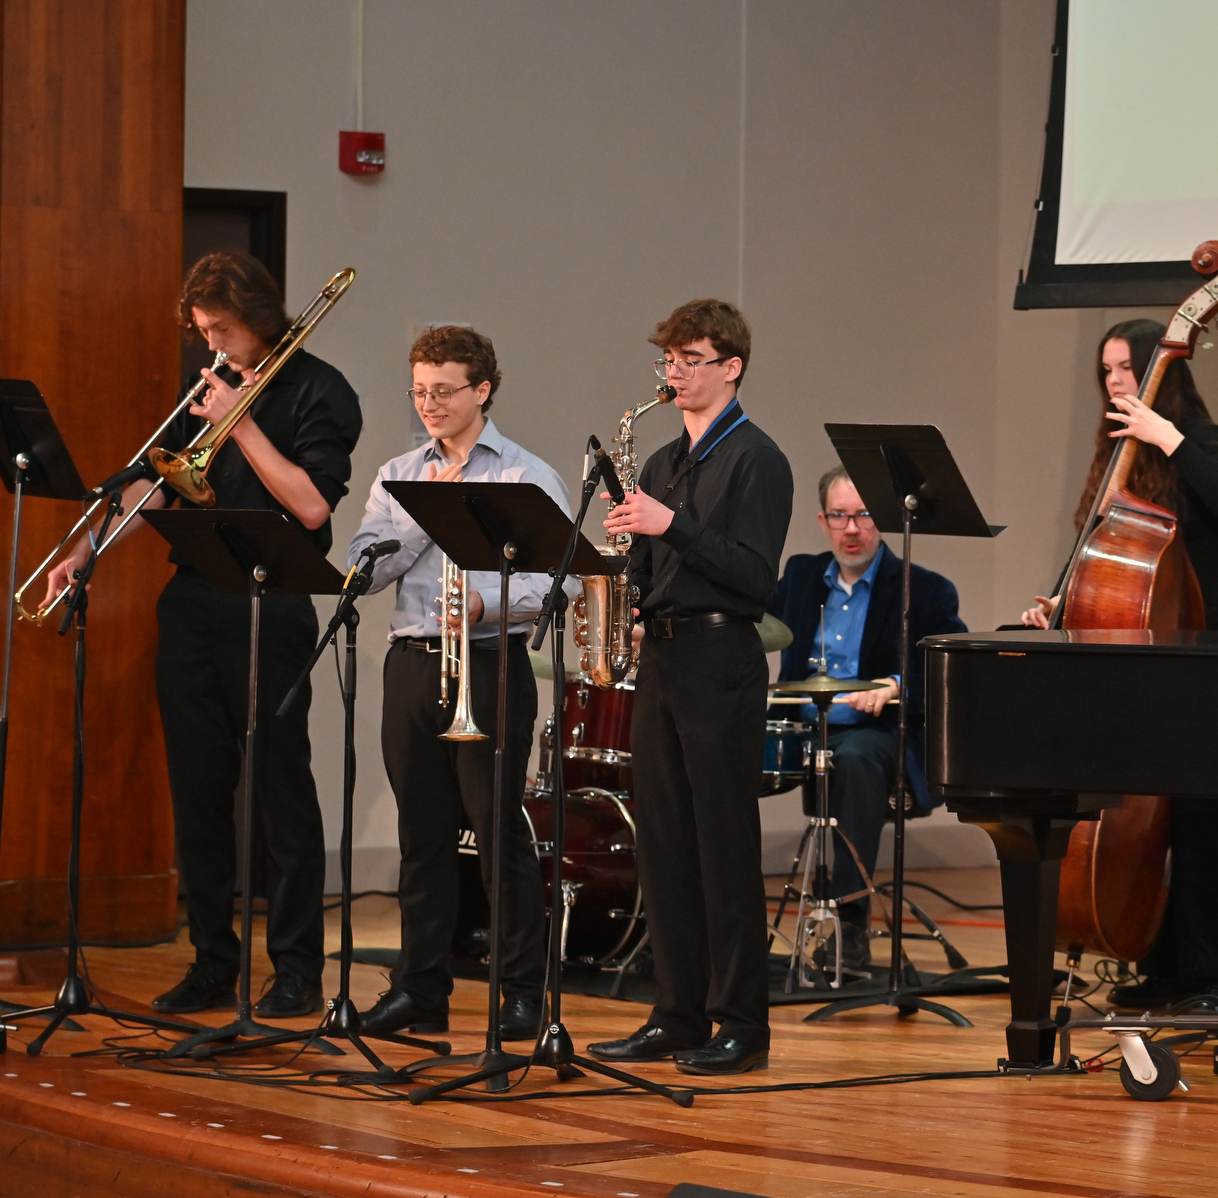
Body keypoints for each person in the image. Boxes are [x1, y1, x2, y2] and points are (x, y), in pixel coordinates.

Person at [43, 250, 362, 1018]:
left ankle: (295, 971)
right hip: (194, 601)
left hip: (273, 602)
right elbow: (157, 478)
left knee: (282, 793)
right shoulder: (210, 385)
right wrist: (82, 550)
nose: (212, 345)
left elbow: (313, 508)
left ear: (256, 315)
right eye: (203, 332)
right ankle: (214, 961)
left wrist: (241, 422)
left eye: (222, 328)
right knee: (198, 790)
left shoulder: (323, 391)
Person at [587, 299, 792, 1076]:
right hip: (664, 660)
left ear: (731, 367)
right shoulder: (664, 462)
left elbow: (752, 575)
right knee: (665, 846)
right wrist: (630, 594)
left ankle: (741, 1022)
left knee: (724, 847)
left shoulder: (758, 459)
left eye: (690, 359)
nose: (674, 373)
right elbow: (651, 562)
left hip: (721, 660)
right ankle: (676, 1013)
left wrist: (669, 525)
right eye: (667, 360)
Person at [1023, 318, 1218, 1008]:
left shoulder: (1199, 439)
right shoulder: (1116, 453)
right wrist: (1062, 601)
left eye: (1125, 369)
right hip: (1147, 664)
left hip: (1207, 651)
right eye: (1107, 372)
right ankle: (1159, 967)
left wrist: (1167, 437)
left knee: (1203, 820)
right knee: (1152, 823)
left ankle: (1209, 978)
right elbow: (1099, 541)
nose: (1115, 383)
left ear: (1160, 373)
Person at [345, 326, 561, 1041]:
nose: (429, 405)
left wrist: (483, 603)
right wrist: (416, 512)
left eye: (443, 391)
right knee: (422, 838)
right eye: (419, 392)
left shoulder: (526, 475)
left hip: (490, 662)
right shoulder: (398, 472)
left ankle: (524, 991)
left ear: (483, 390)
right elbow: (363, 570)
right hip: (412, 664)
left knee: (498, 835)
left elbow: (549, 580)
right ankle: (421, 991)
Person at [766, 465, 966, 973]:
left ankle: (848, 926)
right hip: (802, 728)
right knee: (712, 752)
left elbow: (953, 672)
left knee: (851, 760)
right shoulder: (802, 575)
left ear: (883, 521)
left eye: (864, 515)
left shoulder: (923, 589)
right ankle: (718, 921)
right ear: (822, 520)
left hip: (879, 735)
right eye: (840, 516)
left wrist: (898, 686)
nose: (851, 529)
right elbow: (755, 625)